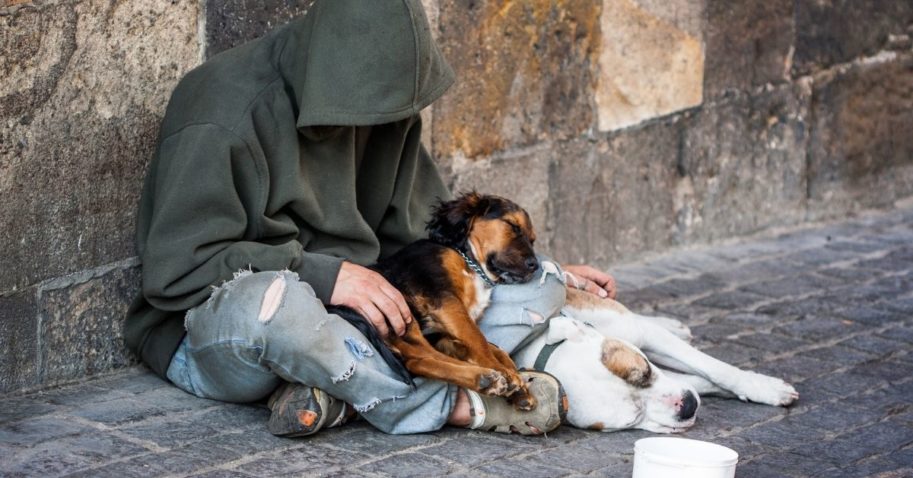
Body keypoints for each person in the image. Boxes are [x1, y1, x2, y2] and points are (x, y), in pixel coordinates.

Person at [125, 0, 616, 437]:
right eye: (377, 112)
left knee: (539, 286)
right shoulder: (222, 111)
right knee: (285, 308)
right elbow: (177, 273)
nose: (389, 126)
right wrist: (326, 276)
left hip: (366, 324)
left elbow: (434, 245)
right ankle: (457, 406)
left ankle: (338, 394)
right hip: (222, 331)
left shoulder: (390, 110)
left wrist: (540, 269)